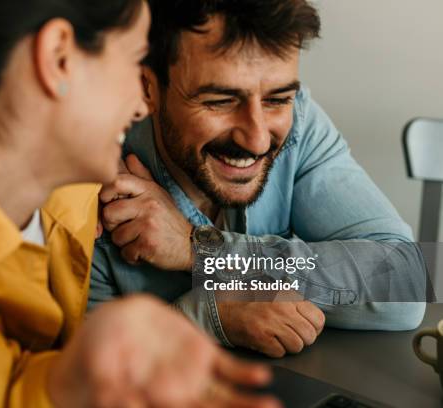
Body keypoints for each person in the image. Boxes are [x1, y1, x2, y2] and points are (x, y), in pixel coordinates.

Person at [0, 1, 281, 407]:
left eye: (280, 97)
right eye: (135, 60)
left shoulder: (69, 185)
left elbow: (354, 275)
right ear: (59, 58)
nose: (141, 104)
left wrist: (199, 251)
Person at [89, 0, 428, 358]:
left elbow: (404, 281)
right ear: (148, 88)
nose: (258, 139)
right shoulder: (91, 173)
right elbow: (79, 376)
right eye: (220, 101)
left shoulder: (300, 120)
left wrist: (204, 251)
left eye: (277, 99)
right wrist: (207, 317)